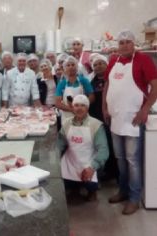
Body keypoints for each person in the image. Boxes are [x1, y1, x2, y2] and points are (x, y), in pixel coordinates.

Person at [103, 30, 157, 215]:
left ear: (134, 44)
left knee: (133, 160)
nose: (124, 45)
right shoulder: (113, 62)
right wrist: (104, 107)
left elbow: (155, 86)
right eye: (121, 42)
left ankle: (134, 198)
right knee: (120, 159)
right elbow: (108, 86)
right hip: (116, 117)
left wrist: (144, 110)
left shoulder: (143, 60)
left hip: (133, 119)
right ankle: (123, 191)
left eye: (128, 42)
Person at [57, 95, 109, 202]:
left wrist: (92, 168)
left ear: (87, 108)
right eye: (76, 105)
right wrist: (54, 158)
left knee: (90, 182)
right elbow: (60, 144)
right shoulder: (66, 123)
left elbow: (104, 150)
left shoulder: (96, 125)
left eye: (82, 106)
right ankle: (74, 188)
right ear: (72, 107)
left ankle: (92, 191)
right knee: (63, 181)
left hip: (88, 162)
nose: (79, 108)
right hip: (71, 162)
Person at [55, 56, 94, 123]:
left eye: (73, 65)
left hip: (82, 114)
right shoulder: (62, 83)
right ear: (64, 68)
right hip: (67, 116)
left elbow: (92, 97)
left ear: (77, 67)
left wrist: (82, 107)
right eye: (68, 65)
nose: (71, 67)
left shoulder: (83, 81)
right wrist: (72, 109)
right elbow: (57, 103)